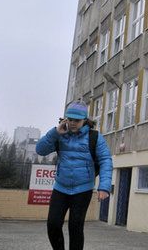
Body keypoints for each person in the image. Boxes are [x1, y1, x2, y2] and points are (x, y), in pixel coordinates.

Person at [36, 100, 113, 250]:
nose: (72, 123)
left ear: (84, 120)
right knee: (53, 224)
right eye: (69, 119)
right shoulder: (59, 135)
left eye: (76, 120)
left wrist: (104, 187)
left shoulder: (95, 137)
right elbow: (40, 150)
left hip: (82, 189)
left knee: (75, 227)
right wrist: (54, 133)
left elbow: (105, 161)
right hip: (61, 187)